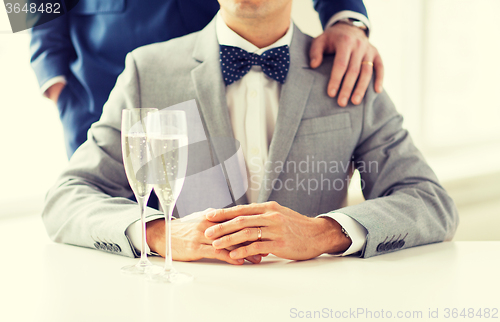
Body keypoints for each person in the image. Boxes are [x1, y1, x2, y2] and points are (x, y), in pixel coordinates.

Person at [42, 0, 458, 265]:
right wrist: (50, 70)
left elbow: (429, 200)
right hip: (102, 79)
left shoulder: (347, 78)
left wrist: (325, 232)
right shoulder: (145, 71)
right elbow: (68, 198)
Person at [30, 0, 384, 158]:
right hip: (99, 91)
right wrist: (54, 78)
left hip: (221, 85)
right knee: (108, 231)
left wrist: (345, 17)